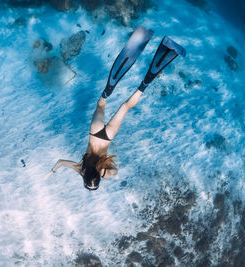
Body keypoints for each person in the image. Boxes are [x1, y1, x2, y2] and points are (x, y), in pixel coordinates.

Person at [49, 27, 186, 190]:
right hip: (94, 131)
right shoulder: (80, 169)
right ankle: (107, 92)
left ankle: (144, 83)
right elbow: (61, 162)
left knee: (126, 106)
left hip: (108, 136)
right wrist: (52, 171)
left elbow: (117, 173)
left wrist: (108, 173)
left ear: (96, 180)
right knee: (101, 103)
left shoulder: (103, 173)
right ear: (85, 178)